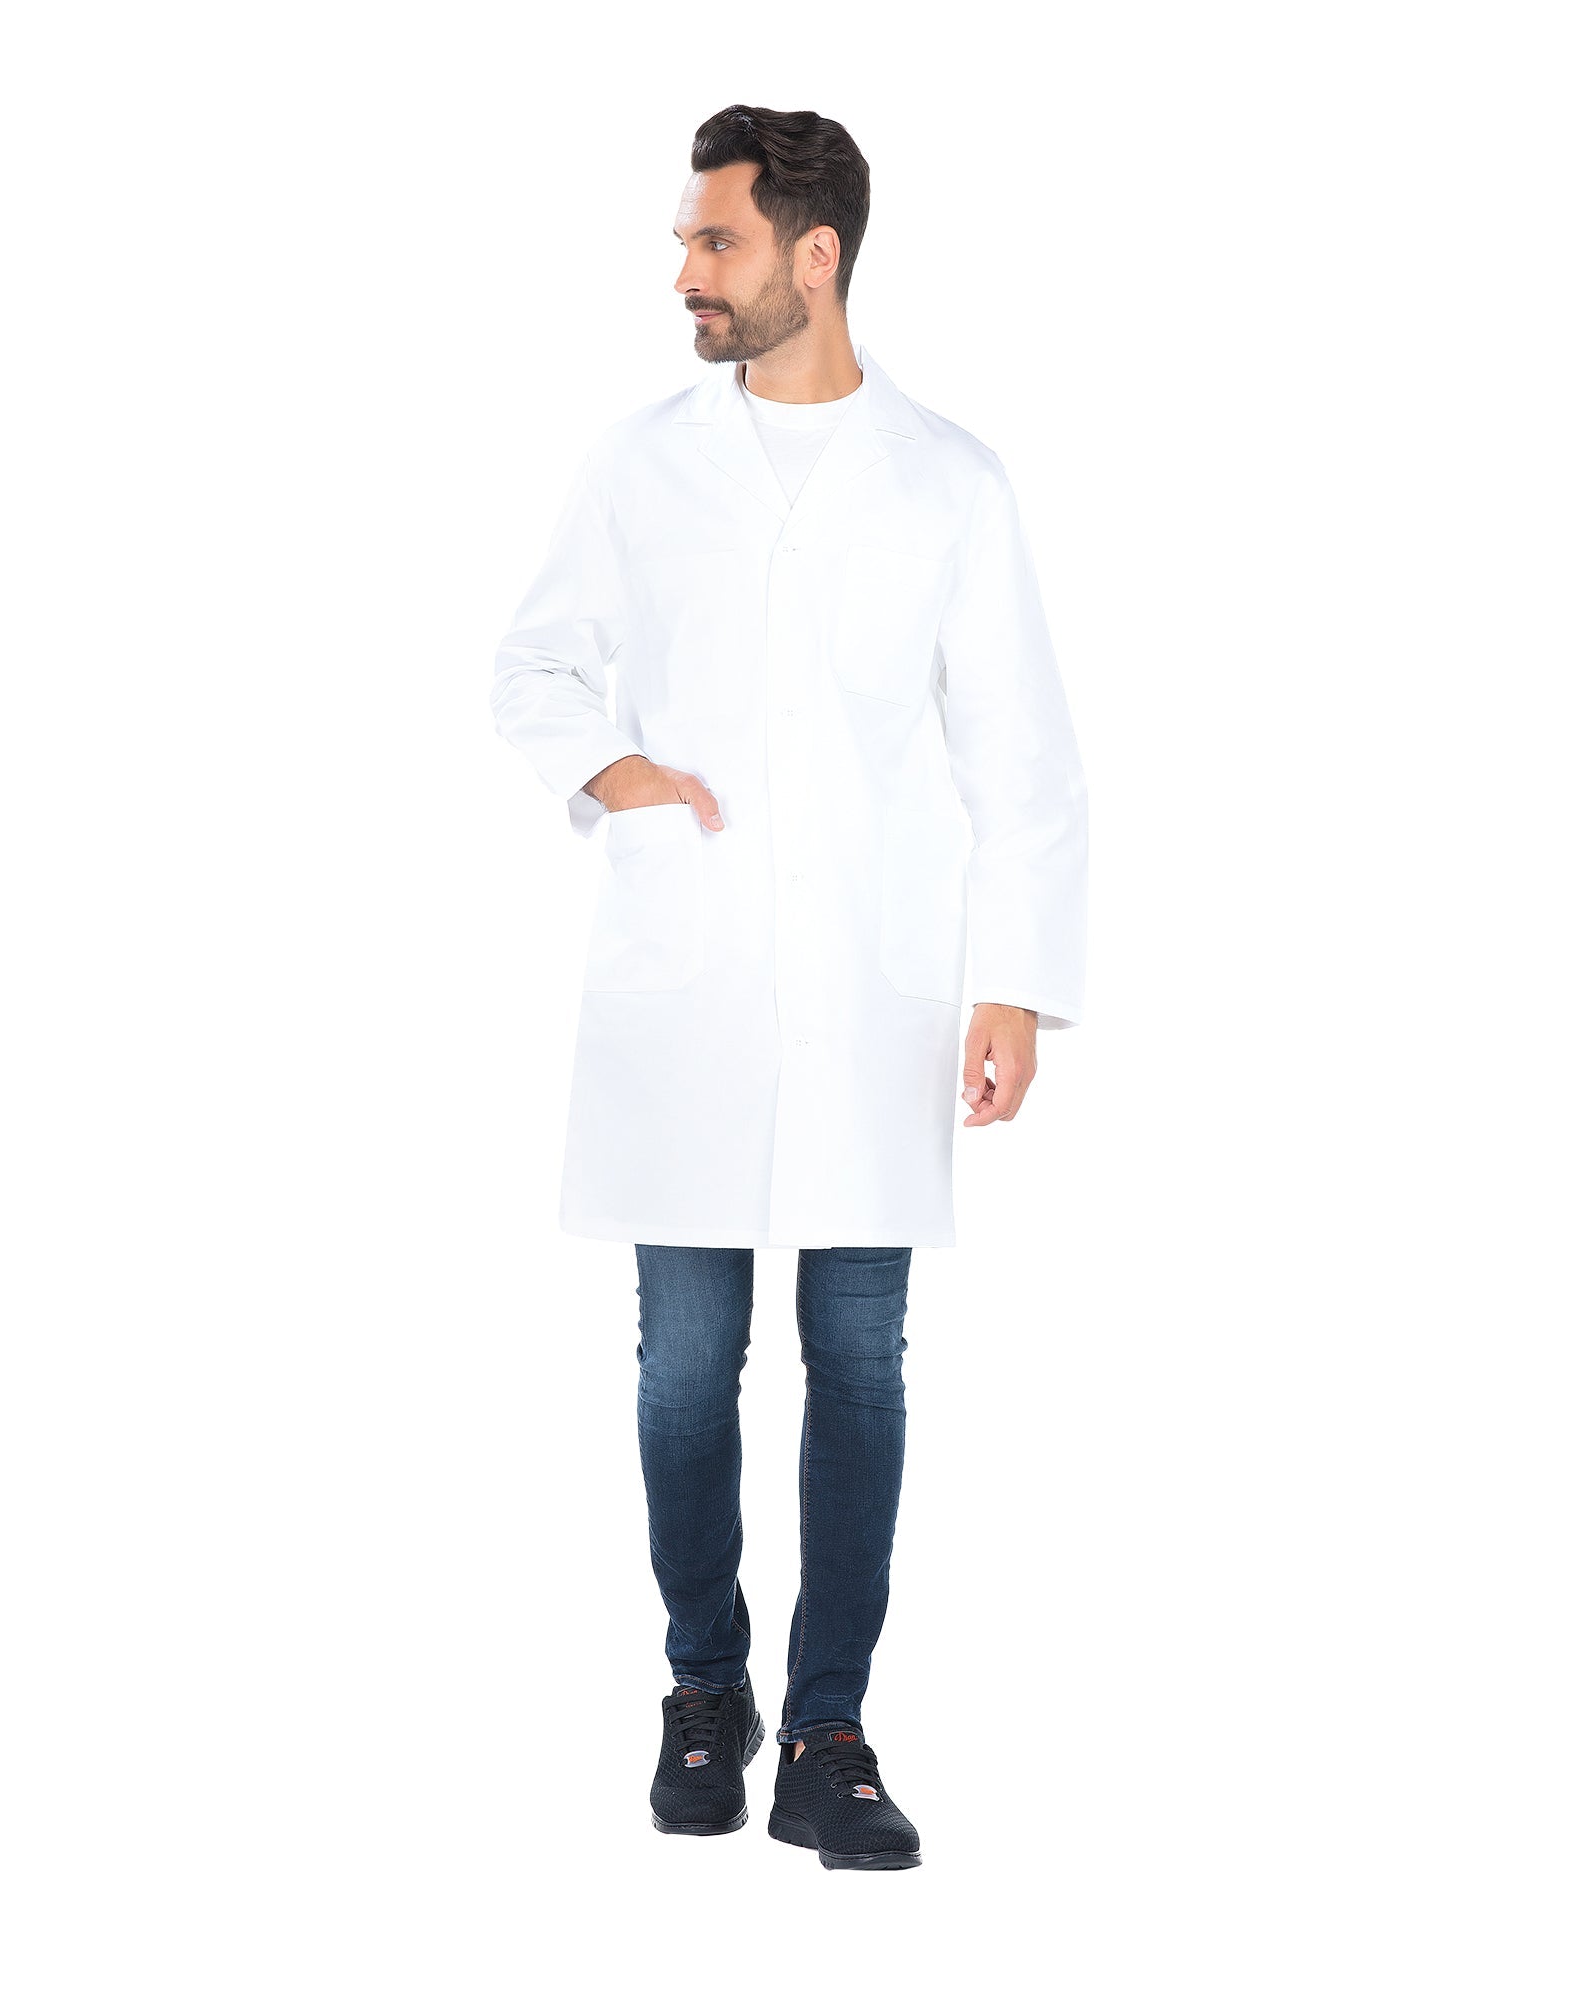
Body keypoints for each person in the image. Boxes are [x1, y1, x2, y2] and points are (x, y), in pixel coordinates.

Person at [490, 104, 1087, 1872]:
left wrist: (1013, 988)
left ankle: (829, 1731)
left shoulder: (951, 481)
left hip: (875, 995)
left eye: (716, 241)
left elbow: (1024, 754)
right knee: (685, 1367)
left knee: (860, 1360)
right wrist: (614, 774)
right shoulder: (638, 463)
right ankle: (706, 1689)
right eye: (689, 239)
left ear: (813, 258)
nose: (685, 270)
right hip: (683, 988)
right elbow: (532, 666)